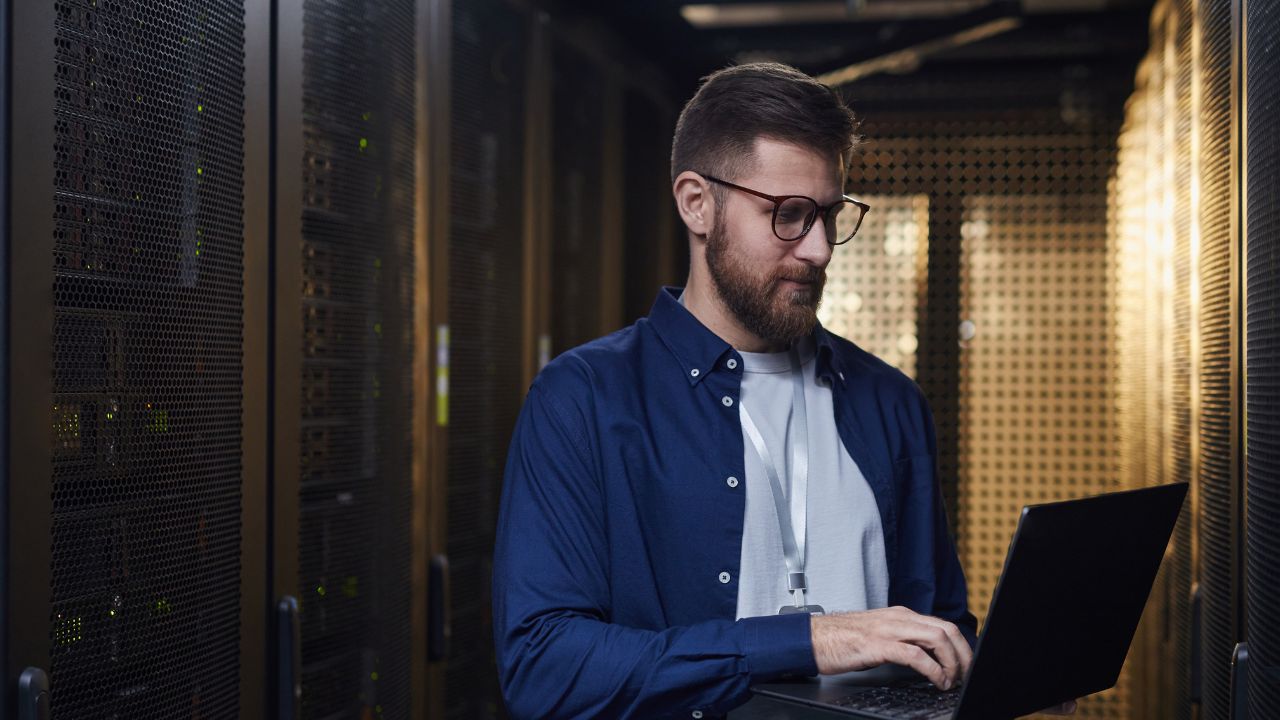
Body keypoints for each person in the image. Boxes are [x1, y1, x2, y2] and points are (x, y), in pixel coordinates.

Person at [492, 62, 1072, 719]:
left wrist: (999, 681)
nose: (819, 249)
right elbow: (544, 669)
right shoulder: (584, 399)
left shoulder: (892, 402)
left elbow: (934, 633)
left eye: (830, 215)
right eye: (788, 215)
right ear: (697, 203)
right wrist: (809, 640)